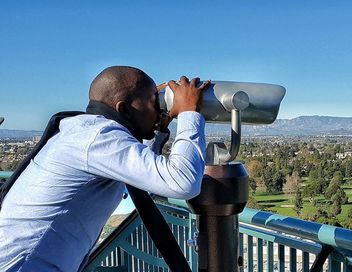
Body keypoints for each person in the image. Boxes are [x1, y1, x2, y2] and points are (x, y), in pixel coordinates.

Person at [0, 66, 210, 271]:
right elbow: (183, 182)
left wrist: (158, 127)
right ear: (124, 109)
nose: (159, 109)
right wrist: (189, 113)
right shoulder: (98, 137)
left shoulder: (85, 132)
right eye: (153, 101)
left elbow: (147, 182)